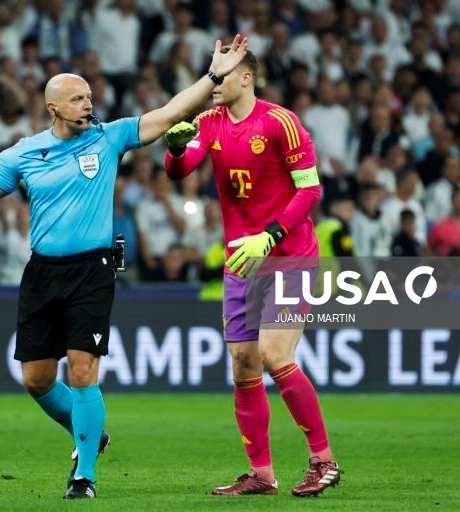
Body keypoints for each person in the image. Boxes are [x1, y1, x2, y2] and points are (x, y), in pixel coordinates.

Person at [0, 36, 249, 500]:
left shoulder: (109, 138)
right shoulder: (22, 153)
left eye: (89, 96)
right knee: (36, 379)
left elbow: (168, 114)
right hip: (42, 272)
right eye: (78, 98)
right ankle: (92, 433)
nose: (89, 104)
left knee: (83, 371)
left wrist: (212, 77)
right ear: (53, 108)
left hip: (93, 270)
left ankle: (83, 475)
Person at [163, 49, 341, 497]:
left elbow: (311, 189)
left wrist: (271, 234)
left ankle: (324, 460)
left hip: (287, 255)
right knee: (243, 366)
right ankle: (261, 474)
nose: (212, 83)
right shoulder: (210, 121)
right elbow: (181, 169)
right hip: (241, 260)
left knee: (273, 354)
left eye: (219, 76)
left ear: (246, 78)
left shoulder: (280, 121)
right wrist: (175, 147)